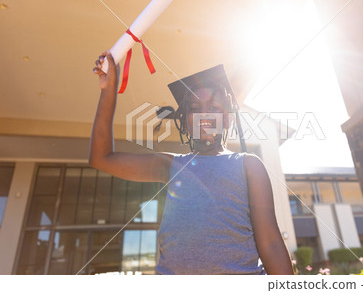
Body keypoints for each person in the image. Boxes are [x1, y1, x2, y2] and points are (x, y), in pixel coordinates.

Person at [90, 52, 294, 275]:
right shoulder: (171, 166)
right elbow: (102, 159)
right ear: (184, 121)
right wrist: (109, 90)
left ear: (227, 119)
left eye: (213, 107)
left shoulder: (247, 166)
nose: (204, 114)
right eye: (195, 108)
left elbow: (271, 244)